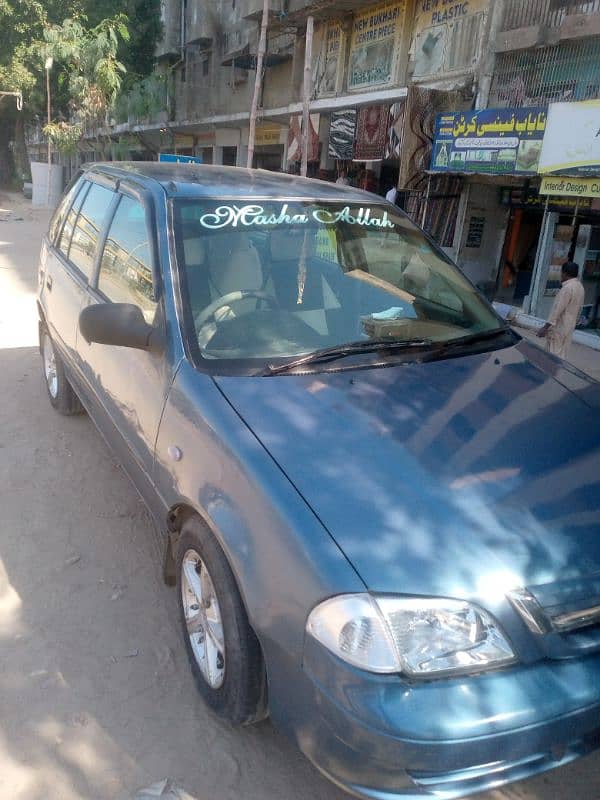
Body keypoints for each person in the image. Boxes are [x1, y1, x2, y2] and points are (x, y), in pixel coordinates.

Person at [536, 261, 584, 359]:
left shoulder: (567, 288)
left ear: (565, 273)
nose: (560, 275)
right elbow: (579, 309)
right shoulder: (580, 287)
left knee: (552, 355)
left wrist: (545, 328)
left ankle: (550, 373)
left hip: (560, 327)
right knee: (562, 353)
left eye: (561, 272)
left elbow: (556, 311)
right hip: (569, 327)